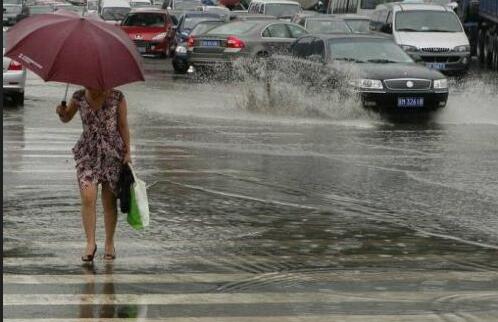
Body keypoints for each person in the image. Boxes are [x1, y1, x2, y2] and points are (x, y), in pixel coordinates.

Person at [56, 88, 132, 263]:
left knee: (109, 202)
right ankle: (90, 244)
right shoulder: (78, 97)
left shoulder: (117, 97)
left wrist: (127, 152)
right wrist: (61, 113)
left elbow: (123, 125)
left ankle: (109, 243)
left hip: (112, 154)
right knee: (88, 197)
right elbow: (67, 117)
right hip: (87, 154)